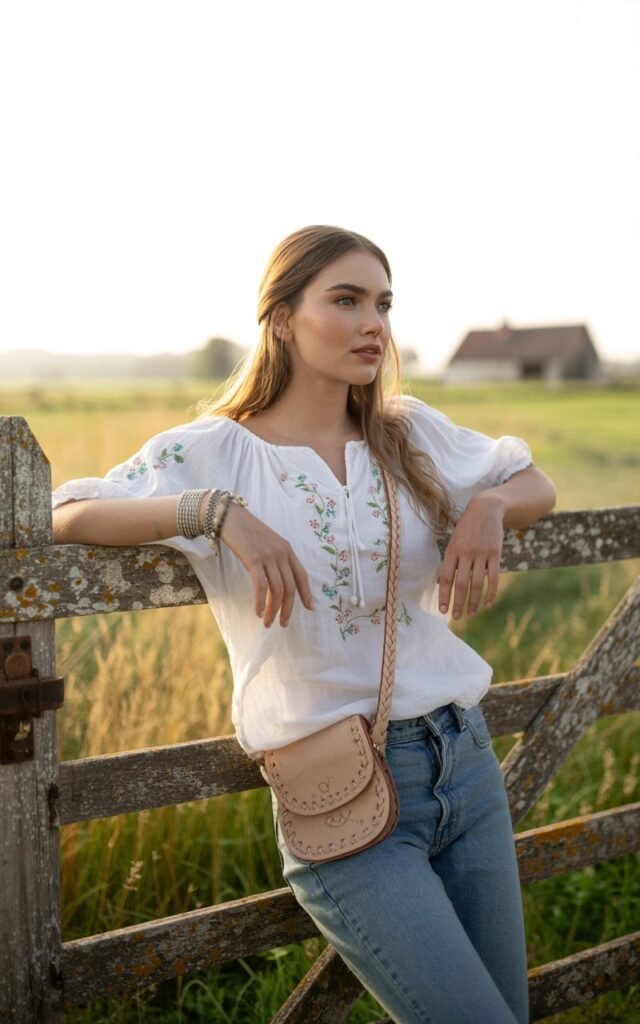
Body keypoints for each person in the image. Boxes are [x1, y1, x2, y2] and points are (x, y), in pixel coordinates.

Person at [52, 225, 556, 1024]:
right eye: (346, 301)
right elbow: (65, 510)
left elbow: (531, 480)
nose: (374, 325)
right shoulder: (219, 450)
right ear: (282, 317)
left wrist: (490, 505)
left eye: (383, 305)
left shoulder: (408, 432)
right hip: (337, 789)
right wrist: (215, 513)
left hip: (463, 757)